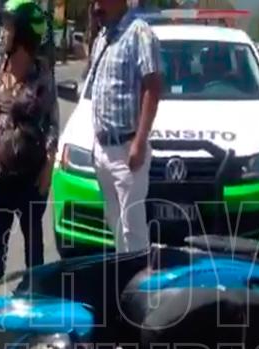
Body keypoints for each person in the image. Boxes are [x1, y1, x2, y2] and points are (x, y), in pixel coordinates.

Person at [0, 0, 58, 282]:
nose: (2, 33)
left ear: (23, 35)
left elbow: (52, 123)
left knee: (33, 244)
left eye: (8, 27)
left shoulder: (41, 74)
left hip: (31, 176)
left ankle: (37, 295)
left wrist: (49, 167)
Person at [87, 0, 161, 253]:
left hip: (127, 149)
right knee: (115, 224)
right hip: (102, 150)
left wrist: (139, 141)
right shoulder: (102, 38)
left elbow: (153, 88)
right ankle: (123, 273)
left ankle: (139, 275)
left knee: (133, 230)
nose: (96, 5)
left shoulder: (139, 33)